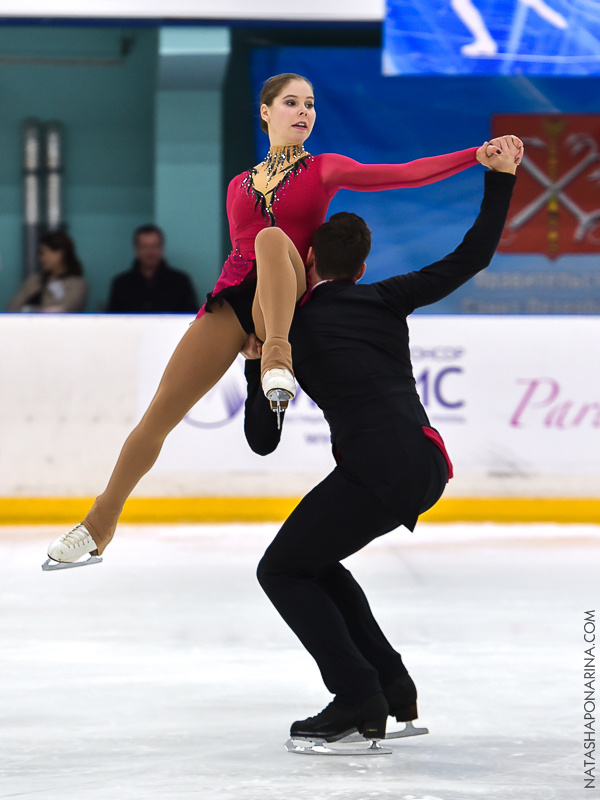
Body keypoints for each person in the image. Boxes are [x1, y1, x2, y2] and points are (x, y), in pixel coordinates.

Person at [44, 71, 516, 567]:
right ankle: (100, 524)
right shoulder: (237, 186)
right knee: (159, 415)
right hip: (235, 297)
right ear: (266, 111)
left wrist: (475, 156)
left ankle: (276, 356)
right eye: (291, 103)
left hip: (288, 285)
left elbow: (405, 173)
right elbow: (236, 257)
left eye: (310, 104)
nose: (304, 112)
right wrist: (233, 318)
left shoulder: (325, 168)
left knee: (272, 239)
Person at [241, 136, 520, 747]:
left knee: (281, 571)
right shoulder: (389, 298)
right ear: (364, 267)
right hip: (425, 460)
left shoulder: (296, 329)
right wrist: (500, 178)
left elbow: (263, 440)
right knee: (314, 564)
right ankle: (390, 686)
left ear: (307, 260)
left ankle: (356, 695)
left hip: (375, 468)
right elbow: (471, 256)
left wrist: (257, 357)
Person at [106, 225, 199, 313]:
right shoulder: (121, 284)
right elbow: (113, 319)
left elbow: (190, 319)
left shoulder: (180, 282)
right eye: (145, 246)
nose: (150, 252)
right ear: (136, 248)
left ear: (162, 247)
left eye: (155, 246)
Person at [6, 230, 87, 313]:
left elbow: (62, 310)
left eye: (44, 253)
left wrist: (28, 310)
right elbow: (12, 308)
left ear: (59, 253)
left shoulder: (77, 285)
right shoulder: (34, 281)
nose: (41, 258)